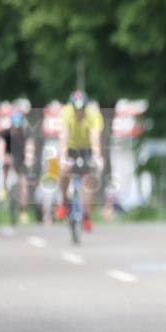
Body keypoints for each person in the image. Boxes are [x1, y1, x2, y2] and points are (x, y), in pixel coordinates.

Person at [55, 90, 104, 232]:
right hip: (70, 147)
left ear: (85, 107)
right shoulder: (66, 113)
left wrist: (97, 157)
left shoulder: (93, 114)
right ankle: (63, 202)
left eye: (81, 109)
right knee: (64, 170)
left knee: (87, 179)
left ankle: (86, 216)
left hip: (87, 148)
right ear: (72, 107)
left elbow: (95, 137)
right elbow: (63, 135)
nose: (79, 112)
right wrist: (63, 157)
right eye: (76, 109)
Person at [0, 110, 34, 223]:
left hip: (21, 159)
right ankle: (4, 186)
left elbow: (30, 147)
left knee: (23, 183)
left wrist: (29, 160)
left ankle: (22, 210)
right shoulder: (5, 133)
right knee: (5, 166)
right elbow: (0, 146)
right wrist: (2, 158)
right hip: (9, 157)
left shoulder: (26, 133)